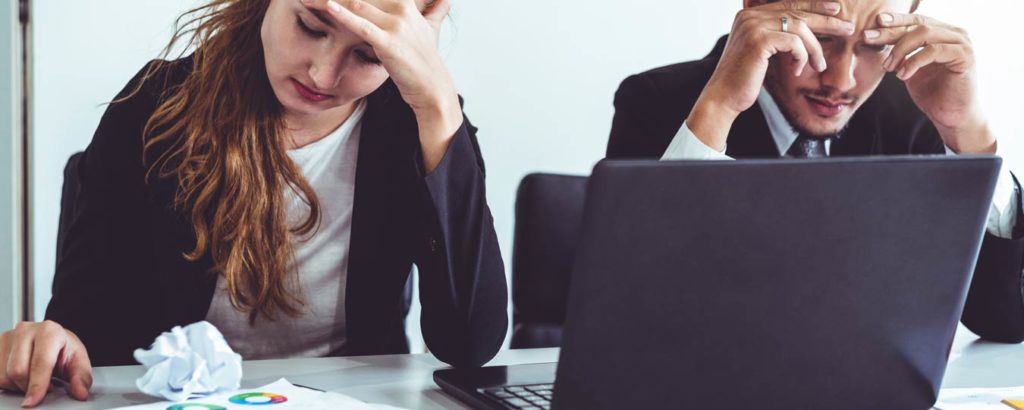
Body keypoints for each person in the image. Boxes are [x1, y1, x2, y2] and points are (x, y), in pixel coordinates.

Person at [0, 0, 508, 406]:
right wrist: (52, 341)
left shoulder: (416, 124)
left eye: (369, 55)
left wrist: (438, 103)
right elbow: (79, 329)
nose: (323, 75)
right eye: (311, 26)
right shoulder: (155, 106)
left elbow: (469, 344)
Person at [607, 0, 1024, 343]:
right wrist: (718, 109)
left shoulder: (912, 113)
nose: (840, 81)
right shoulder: (660, 102)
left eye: (873, 46)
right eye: (823, 38)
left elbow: (1005, 318)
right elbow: (633, 313)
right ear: (759, 10)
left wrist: (967, 133)